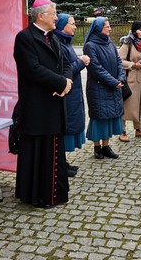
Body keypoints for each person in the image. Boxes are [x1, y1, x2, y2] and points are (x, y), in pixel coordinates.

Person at [13, 0, 72, 208]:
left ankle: (55, 194)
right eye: (54, 13)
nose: (57, 17)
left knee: (54, 150)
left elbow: (64, 63)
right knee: (38, 152)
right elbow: (32, 69)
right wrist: (60, 83)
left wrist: (66, 82)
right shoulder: (24, 38)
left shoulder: (52, 37)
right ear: (41, 15)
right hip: (37, 106)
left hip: (54, 104)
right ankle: (38, 196)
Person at [54, 14, 90, 177]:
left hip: (73, 93)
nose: (75, 26)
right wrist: (81, 61)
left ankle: (63, 163)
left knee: (69, 127)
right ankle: (59, 164)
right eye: (72, 24)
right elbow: (64, 71)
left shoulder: (65, 42)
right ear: (62, 26)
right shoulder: (58, 44)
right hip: (65, 94)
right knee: (64, 129)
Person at [84, 17, 124, 160]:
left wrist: (120, 78)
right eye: (107, 26)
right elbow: (96, 69)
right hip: (98, 88)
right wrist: (114, 82)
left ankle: (106, 146)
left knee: (109, 117)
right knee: (99, 118)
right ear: (99, 28)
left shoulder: (110, 43)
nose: (110, 28)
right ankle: (97, 147)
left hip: (113, 85)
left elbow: (119, 61)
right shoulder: (90, 45)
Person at [118, 21, 141, 142]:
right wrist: (133, 65)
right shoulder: (127, 43)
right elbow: (119, 61)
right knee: (126, 105)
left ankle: (138, 129)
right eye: (139, 30)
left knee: (138, 105)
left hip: (140, 80)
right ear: (134, 30)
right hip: (129, 79)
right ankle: (121, 130)